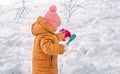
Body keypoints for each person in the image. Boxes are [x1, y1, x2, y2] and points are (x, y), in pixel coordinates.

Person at [31, 5, 71, 74]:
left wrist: (62, 35)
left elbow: (52, 38)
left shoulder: (43, 32)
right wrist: (61, 48)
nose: (56, 29)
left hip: (41, 68)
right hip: (45, 70)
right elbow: (48, 48)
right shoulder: (45, 35)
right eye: (56, 26)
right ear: (51, 25)